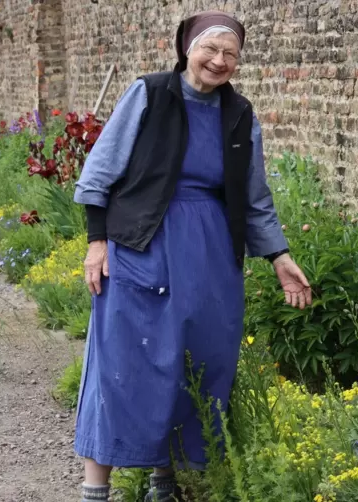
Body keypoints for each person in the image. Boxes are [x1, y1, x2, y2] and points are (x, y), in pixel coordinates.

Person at [71, 11, 312, 502]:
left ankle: (165, 484)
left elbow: (254, 198)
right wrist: (98, 241)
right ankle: (95, 491)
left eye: (231, 54)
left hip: (210, 255)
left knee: (194, 364)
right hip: (141, 245)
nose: (219, 61)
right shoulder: (149, 93)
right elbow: (99, 172)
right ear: (187, 48)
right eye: (210, 49)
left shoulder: (240, 114)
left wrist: (279, 257)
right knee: (122, 367)